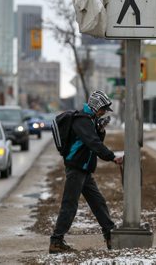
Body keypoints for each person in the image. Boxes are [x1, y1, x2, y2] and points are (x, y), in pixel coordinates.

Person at [49, 90, 124, 254]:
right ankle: (56, 241)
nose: (104, 112)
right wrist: (112, 157)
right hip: (76, 168)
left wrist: (101, 129)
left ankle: (110, 235)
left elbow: (95, 141)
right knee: (70, 204)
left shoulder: (90, 120)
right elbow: (93, 143)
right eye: (103, 109)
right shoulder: (82, 121)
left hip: (84, 169)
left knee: (98, 202)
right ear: (96, 106)